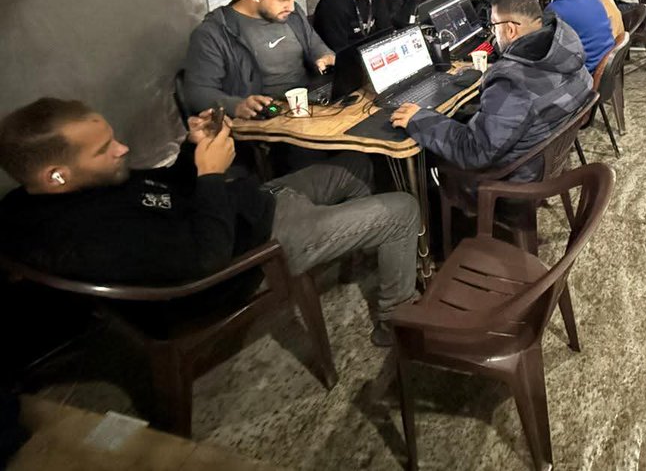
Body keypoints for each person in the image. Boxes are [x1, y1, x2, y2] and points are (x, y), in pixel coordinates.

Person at [0, 99, 419, 347]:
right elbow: (206, 258)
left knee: (358, 163)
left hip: (255, 204)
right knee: (402, 209)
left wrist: (193, 147)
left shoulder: (93, 182)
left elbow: (168, 187)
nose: (122, 148)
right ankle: (393, 324)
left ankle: (366, 252)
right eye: (105, 148)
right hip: (261, 245)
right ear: (56, 175)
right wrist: (211, 176)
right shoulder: (77, 235)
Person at [389, 0, 593, 208]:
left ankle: (431, 221)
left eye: (493, 26)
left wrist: (420, 119)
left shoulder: (513, 82)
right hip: (543, 162)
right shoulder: (566, 48)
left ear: (510, 29)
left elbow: (474, 151)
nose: (492, 34)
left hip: (514, 183)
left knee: (426, 153)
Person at [183, 0, 334, 120]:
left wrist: (324, 55)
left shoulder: (292, 15)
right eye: (282, 0)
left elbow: (314, 44)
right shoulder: (214, 33)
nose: (291, 7)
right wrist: (237, 106)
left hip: (309, 101)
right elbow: (197, 93)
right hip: (268, 115)